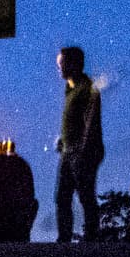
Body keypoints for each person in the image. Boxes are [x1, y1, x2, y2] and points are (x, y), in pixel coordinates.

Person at [54, 44, 104, 242]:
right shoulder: (70, 90)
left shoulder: (88, 89)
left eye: (62, 63)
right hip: (68, 151)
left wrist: (84, 149)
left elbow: (91, 122)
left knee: (85, 195)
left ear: (74, 64)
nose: (59, 67)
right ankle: (64, 238)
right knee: (62, 196)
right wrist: (63, 140)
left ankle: (91, 237)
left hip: (83, 152)